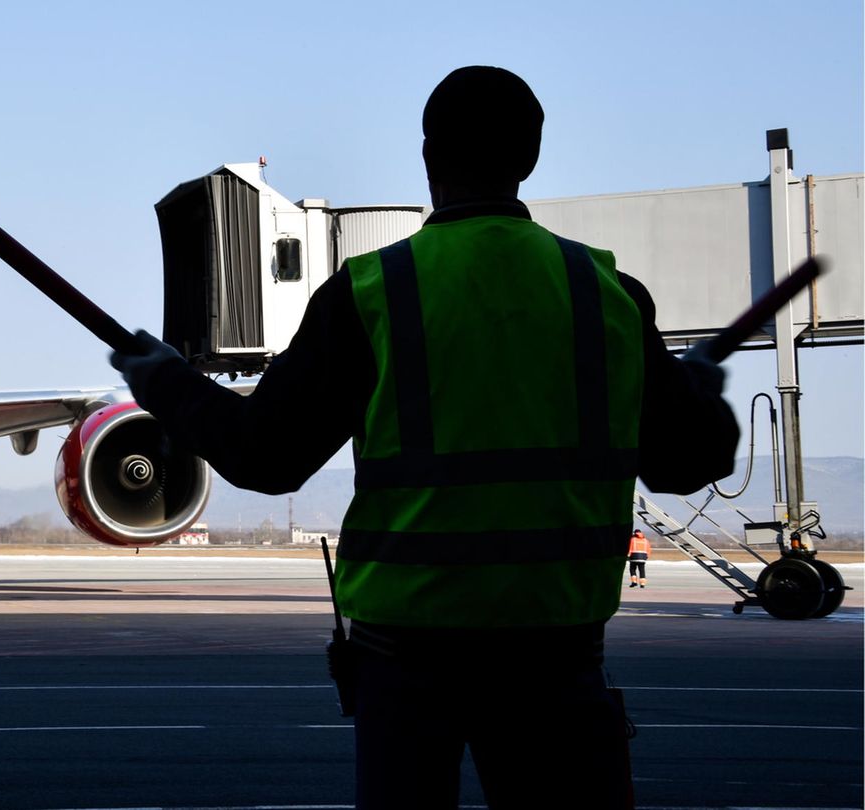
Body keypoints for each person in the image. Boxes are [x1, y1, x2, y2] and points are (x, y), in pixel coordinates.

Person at [111, 66, 738, 809]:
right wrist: (696, 392)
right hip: (557, 656)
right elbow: (687, 461)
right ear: (530, 157)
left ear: (428, 155)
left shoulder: (372, 291)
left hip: (406, 660)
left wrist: (166, 384)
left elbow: (264, 455)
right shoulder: (608, 295)